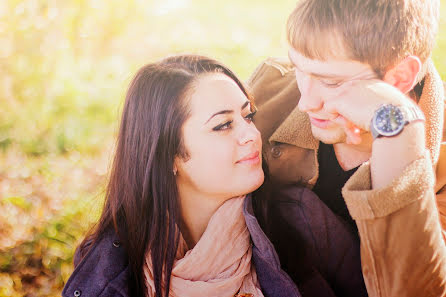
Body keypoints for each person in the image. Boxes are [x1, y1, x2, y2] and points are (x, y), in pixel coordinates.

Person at [62, 55, 367, 297]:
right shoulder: (106, 265)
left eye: (248, 116)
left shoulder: (301, 219)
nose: (251, 134)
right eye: (223, 125)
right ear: (168, 155)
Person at [249, 0, 446, 296]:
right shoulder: (269, 89)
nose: (306, 103)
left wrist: (397, 130)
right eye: (299, 68)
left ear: (400, 77)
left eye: (331, 82)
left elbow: (414, 290)